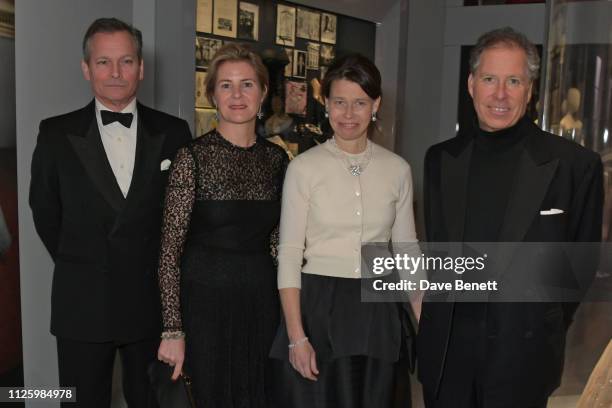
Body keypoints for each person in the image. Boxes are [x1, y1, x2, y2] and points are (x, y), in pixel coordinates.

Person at [418, 27, 603, 408]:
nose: (500, 94)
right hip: (447, 356)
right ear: (471, 84)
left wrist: (540, 321)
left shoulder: (575, 166)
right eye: (489, 79)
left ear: (530, 89)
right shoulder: (439, 159)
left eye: (513, 81)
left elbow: (578, 269)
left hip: (524, 355)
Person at [29, 17, 191, 408]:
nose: (116, 73)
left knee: (153, 403)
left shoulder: (175, 131)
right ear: (86, 68)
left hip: (151, 306)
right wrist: (84, 263)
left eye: (126, 61)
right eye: (103, 62)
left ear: (141, 67)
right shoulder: (54, 133)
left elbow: (183, 220)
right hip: (82, 302)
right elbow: (45, 213)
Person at [270, 54, 419, 407]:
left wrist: (425, 323)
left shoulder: (397, 169)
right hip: (319, 307)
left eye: (359, 103)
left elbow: (408, 249)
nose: (348, 114)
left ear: (375, 104)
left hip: (379, 308)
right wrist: (296, 336)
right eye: (339, 102)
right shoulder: (304, 169)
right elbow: (289, 253)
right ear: (326, 104)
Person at [156, 43, 289, 407]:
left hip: (261, 302)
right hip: (204, 303)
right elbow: (170, 252)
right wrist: (172, 329)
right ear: (211, 94)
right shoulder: (192, 158)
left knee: (260, 394)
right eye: (226, 85)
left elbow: (278, 242)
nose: (237, 95)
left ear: (263, 93)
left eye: (247, 84)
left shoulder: (277, 160)